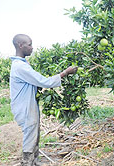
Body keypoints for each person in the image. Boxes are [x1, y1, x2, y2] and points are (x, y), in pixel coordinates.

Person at [10, 34, 77, 166]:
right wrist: (65, 73)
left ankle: (34, 161)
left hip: (28, 105)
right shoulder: (20, 66)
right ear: (20, 45)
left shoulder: (22, 64)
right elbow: (44, 81)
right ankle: (27, 162)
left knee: (34, 133)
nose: (32, 48)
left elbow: (36, 82)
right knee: (30, 135)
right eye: (29, 44)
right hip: (25, 107)